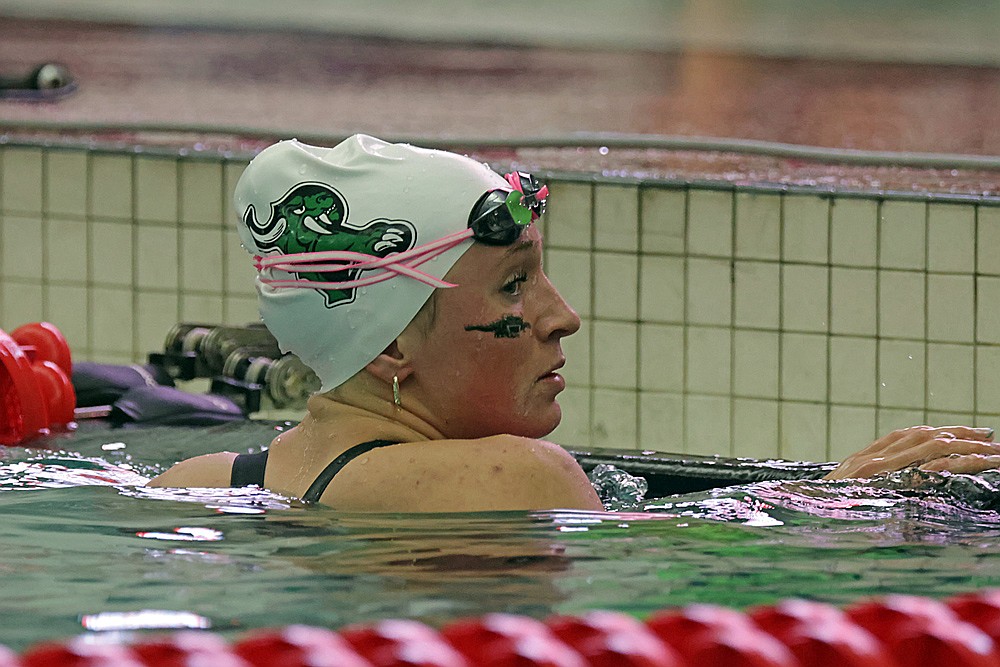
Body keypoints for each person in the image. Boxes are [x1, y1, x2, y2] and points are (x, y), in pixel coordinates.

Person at [149, 135, 1000, 511]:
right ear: (393, 340)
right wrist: (834, 499)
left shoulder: (198, 483)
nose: (564, 316)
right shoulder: (523, 481)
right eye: (515, 285)